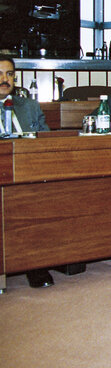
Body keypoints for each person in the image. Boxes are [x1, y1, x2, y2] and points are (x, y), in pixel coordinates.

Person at [1, 56, 66, 288]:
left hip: (30, 169)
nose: (4, 79)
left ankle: (38, 260)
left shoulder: (28, 105)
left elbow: (44, 140)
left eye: (9, 74)